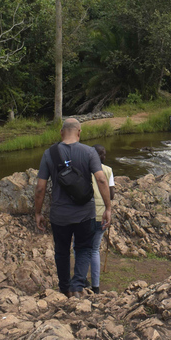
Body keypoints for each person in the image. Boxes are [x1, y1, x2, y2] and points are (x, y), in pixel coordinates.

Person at [34, 118, 112, 298]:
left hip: (59, 215)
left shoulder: (49, 154)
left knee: (61, 251)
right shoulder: (90, 152)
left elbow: (40, 188)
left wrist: (38, 213)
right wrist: (108, 207)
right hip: (85, 214)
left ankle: (64, 289)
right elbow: (101, 179)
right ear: (79, 132)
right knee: (84, 249)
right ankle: (77, 287)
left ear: (61, 133)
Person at [90, 144, 115, 294]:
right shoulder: (108, 170)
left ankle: (81, 280)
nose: (105, 156)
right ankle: (96, 286)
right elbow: (111, 195)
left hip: (85, 214)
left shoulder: (85, 168)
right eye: (104, 154)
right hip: (101, 213)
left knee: (80, 248)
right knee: (94, 250)